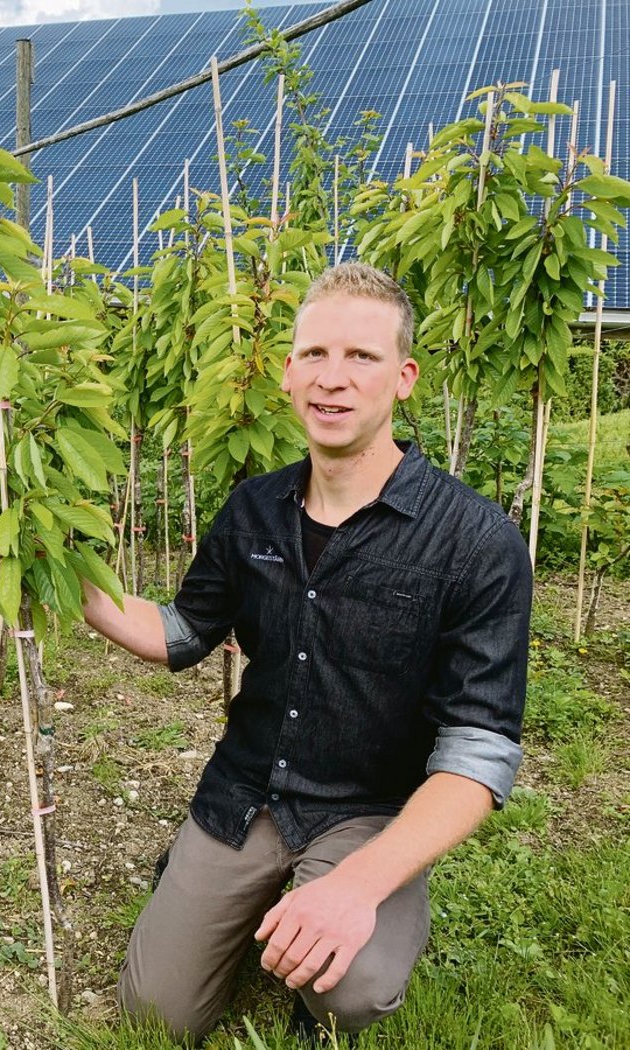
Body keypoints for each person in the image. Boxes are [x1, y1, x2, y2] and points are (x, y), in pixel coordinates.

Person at [80, 262, 532, 1042]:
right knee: (155, 1013)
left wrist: (357, 888)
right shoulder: (255, 507)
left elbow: (479, 753)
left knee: (349, 990)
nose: (335, 379)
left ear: (404, 378)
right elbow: (186, 631)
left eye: (362, 357)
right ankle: (232, 883)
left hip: (370, 809)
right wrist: (67, 580)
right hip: (249, 790)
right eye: (316, 355)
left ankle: (339, 914)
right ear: (288, 373)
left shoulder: (474, 540)